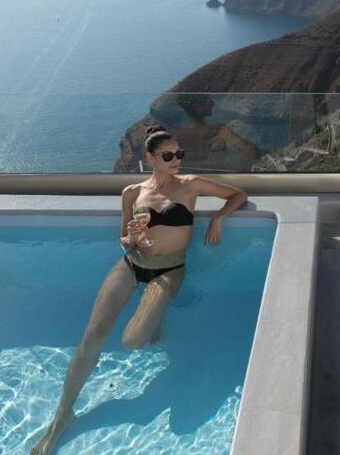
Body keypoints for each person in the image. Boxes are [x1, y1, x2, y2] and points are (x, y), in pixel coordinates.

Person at [31, 125, 247, 455]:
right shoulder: (131, 193)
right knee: (93, 335)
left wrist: (218, 219)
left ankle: (155, 317)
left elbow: (238, 195)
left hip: (169, 270)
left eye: (179, 154)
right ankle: (63, 414)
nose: (176, 160)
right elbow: (123, 239)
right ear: (150, 158)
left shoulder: (191, 185)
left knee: (133, 340)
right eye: (168, 155)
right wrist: (131, 237)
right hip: (132, 263)